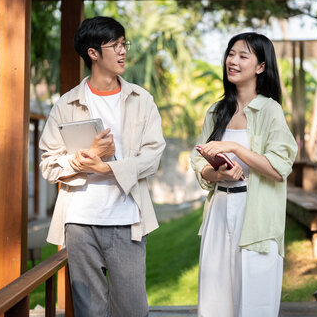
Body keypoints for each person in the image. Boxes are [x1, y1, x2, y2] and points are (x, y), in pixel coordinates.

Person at [39, 16, 165, 317]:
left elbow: (153, 156)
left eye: (124, 44)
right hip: (80, 222)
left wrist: (107, 168)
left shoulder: (141, 100)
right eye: (115, 45)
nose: (123, 52)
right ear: (93, 53)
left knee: (133, 310)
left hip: (127, 219)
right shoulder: (66, 105)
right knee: (89, 311)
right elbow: (48, 164)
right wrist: (87, 158)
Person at [190, 32, 297, 316]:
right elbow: (198, 163)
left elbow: (278, 168)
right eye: (231, 54)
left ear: (261, 67)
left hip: (256, 214)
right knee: (215, 298)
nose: (232, 61)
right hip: (219, 210)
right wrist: (219, 174)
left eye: (243, 56)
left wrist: (235, 147)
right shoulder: (216, 111)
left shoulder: (270, 110)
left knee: (255, 297)